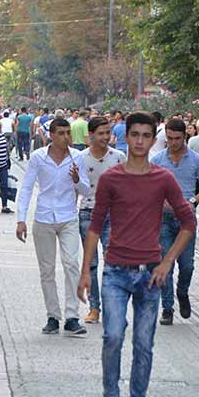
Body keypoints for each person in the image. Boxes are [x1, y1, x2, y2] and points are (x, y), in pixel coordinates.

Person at [77, 111, 195, 397]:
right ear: (125, 137)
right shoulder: (112, 179)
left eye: (146, 135)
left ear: (151, 138)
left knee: (143, 344)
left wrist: (168, 261)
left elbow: (188, 222)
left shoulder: (163, 179)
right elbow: (96, 224)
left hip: (150, 276)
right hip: (115, 271)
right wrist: (86, 271)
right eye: (135, 135)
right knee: (112, 336)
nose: (140, 141)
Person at [15, 117, 90, 336]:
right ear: (51, 135)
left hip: (68, 217)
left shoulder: (77, 157)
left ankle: (72, 316)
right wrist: (21, 219)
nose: (67, 137)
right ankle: (52, 316)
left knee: (71, 263)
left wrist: (77, 179)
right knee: (47, 270)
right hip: (44, 218)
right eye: (62, 133)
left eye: (68, 133)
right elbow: (27, 187)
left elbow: (86, 191)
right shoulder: (39, 158)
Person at [150, 119, 199, 326]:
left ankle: (182, 291)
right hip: (164, 219)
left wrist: (192, 201)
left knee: (187, 265)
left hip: (186, 218)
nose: (173, 142)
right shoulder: (158, 160)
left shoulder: (196, 160)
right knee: (165, 263)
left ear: (185, 136)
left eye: (177, 138)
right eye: (169, 138)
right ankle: (167, 308)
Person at [77, 117, 126, 324]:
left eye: (108, 133)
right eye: (101, 133)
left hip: (113, 215)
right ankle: (94, 307)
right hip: (88, 213)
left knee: (112, 262)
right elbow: (76, 189)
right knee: (92, 263)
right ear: (91, 136)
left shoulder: (119, 157)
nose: (106, 137)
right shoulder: (80, 158)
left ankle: (113, 308)